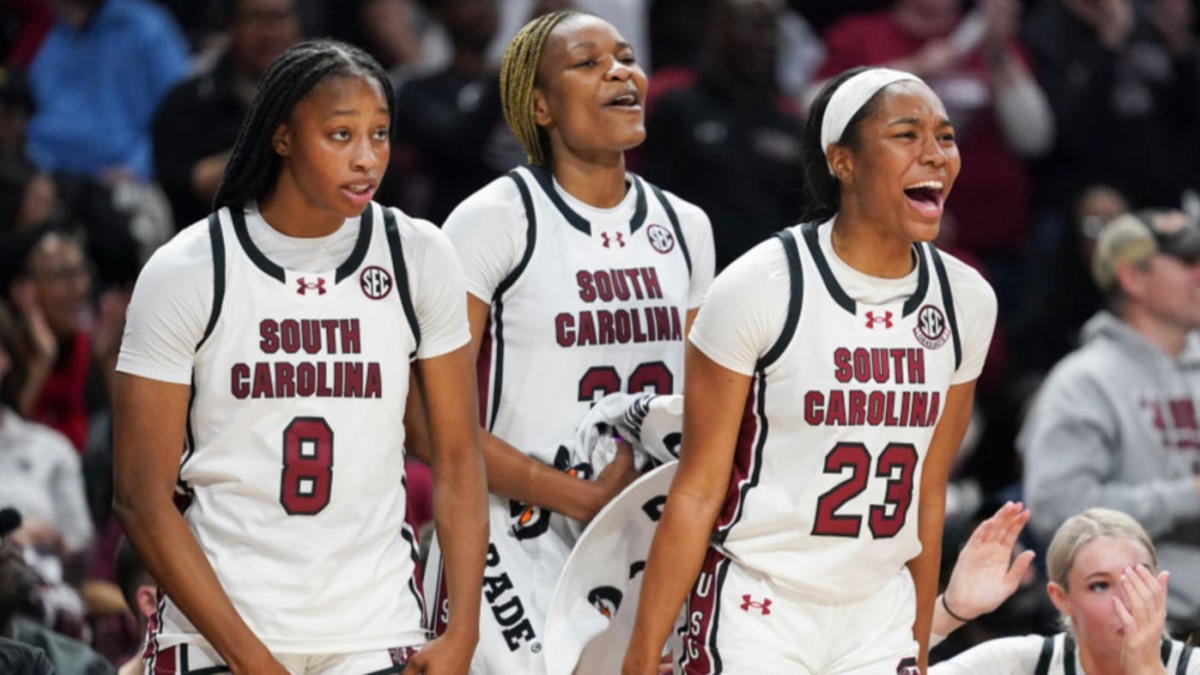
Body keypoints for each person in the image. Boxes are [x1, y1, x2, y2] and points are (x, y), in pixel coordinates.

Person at [111, 39, 487, 674]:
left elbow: (457, 458)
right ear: (281, 138)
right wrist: (254, 662)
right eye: (340, 135)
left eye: (380, 135)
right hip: (221, 632)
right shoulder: (191, 268)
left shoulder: (417, 254)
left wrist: (462, 632)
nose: (367, 159)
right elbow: (140, 499)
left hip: (374, 628)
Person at [622, 65, 998, 674]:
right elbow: (696, 491)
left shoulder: (967, 300)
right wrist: (641, 657)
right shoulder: (760, 285)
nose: (935, 155)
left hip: (879, 611)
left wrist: (920, 643)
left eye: (946, 136)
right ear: (842, 162)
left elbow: (929, 495)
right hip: (760, 601)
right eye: (906, 135)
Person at [427, 9, 714, 674]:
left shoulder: (686, 226)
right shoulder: (493, 220)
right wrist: (576, 495)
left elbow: (702, 409)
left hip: (639, 543)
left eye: (624, 56)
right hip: (508, 545)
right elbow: (424, 421)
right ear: (541, 106)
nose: (619, 70)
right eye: (587, 63)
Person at [1020, 210, 1200, 634]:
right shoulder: (1083, 384)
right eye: (1188, 261)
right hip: (1136, 635)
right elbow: (1057, 509)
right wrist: (1187, 496)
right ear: (1133, 278)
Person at [931, 507, 1200, 674]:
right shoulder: (1019, 663)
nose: (1125, 601)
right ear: (1061, 598)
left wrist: (1147, 670)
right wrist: (949, 611)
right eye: (1100, 585)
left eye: (1138, 579)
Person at [151, 0, 303, 229]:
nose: (269, 31)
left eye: (280, 17)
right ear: (231, 27)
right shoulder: (187, 103)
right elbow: (186, 184)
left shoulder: (330, 96)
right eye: (256, 18)